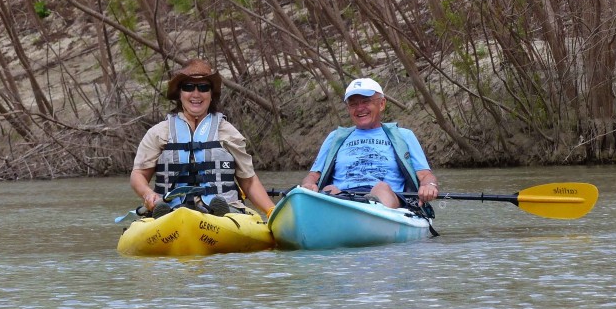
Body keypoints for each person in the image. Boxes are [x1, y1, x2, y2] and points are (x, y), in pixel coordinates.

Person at [129, 58, 276, 219]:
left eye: (204, 87)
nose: (196, 94)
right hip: (172, 211)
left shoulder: (228, 132)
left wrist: (272, 211)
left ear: (211, 94)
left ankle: (221, 211)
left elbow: (249, 181)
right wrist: (148, 194)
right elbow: (139, 175)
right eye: (188, 87)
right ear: (180, 93)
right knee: (169, 212)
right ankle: (164, 213)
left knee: (223, 209)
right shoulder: (158, 133)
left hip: (222, 213)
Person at [299, 77, 439, 213]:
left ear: (382, 104)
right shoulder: (335, 138)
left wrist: (429, 186)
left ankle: (370, 213)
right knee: (330, 189)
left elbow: (425, 175)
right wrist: (308, 185)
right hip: (341, 198)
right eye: (353, 104)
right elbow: (313, 176)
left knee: (381, 188)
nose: (360, 108)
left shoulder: (404, 135)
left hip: (387, 199)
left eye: (366, 101)